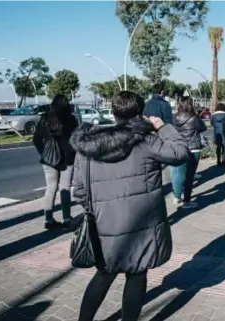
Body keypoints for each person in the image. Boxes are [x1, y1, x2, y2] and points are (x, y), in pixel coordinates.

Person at [70, 91, 191, 321]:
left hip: (104, 222)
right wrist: (162, 126)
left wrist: (97, 208)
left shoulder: (89, 145)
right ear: (139, 113)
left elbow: (79, 189)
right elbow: (180, 152)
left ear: (113, 112)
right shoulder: (146, 140)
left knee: (104, 274)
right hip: (142, 223)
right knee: (137, 274)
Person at [32, 94, 79, 229]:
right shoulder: (71, 120)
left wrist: (44, 154)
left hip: (48, 161)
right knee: (65, 188)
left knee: (50, 188)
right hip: (67, 159)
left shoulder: (45, 118)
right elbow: (76, 140)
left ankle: (48, 220)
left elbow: (36, 140)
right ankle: (66, 219)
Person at [170, 97, 207, 209]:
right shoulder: (194, 118)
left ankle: (177, 196)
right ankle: (187, 201)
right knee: (189, 177)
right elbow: (203, 128)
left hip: (180, 148)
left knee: (178, 174)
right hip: (193, 148)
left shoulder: (174, 118)